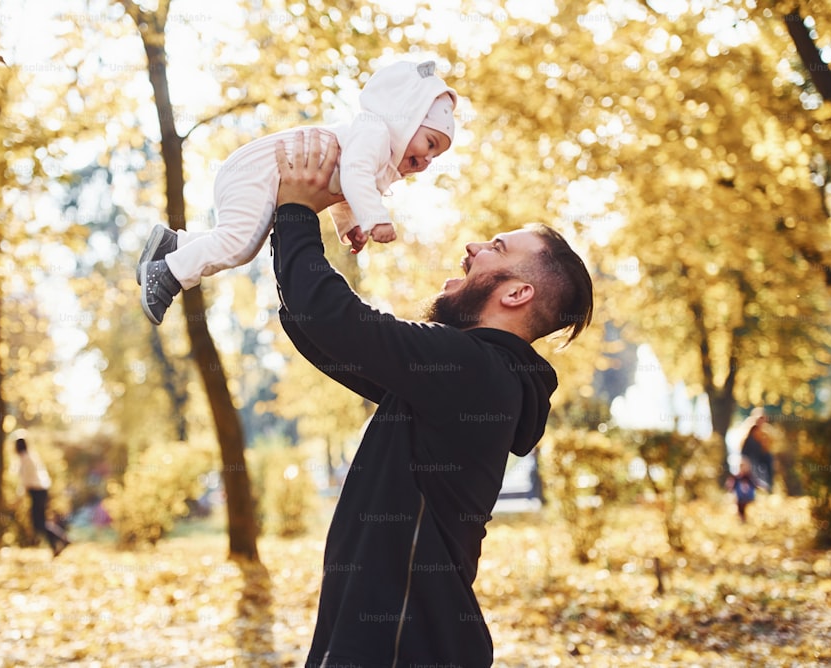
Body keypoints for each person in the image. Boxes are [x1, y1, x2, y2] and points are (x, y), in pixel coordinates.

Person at [270, 131, 593, 667]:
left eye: (497, 248)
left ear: (516, 294)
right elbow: (324, 334)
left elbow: (333, 319)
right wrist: (302, 217)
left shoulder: (475, 370)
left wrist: (296, 209)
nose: (473, 247)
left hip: (400, 648)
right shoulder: (470, 377)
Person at [137, 59, 458, 325]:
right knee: (241, 243)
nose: (428, 160)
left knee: (240, 238)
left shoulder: (370, 146)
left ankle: (173, 244)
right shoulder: (374, 132)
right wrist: (375, 219)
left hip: (260, 171)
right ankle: (169, 272)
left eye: (436, 156)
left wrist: (349, 225)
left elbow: (344, 185)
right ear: (405, 116)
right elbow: (354, 174)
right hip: (260, 169)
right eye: (430, 143)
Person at [14, 437, 70, 557]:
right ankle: (55, 546)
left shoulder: (25, 459)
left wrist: (18, 497)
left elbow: (25, 481)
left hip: (37, 492)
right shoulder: (30, 456)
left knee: (38, 523)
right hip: (41, 491)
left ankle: (62, 539)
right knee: (41, 522)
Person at [740, 408, 775, 492]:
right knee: (753, 467)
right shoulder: (749, 432)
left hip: (760, 457)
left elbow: (768, 448)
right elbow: (743, 449)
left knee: (769, 460)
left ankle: (768, 486)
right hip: (749, 457)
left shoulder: (765, 432)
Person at [726, 456, 768, 523]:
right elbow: (731, 484)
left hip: (749, 497)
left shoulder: (750, 477)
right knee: (740, 508)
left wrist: (762, 487)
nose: (744, 468)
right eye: (742, 466)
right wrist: (730, 487)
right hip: (740, 498)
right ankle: (742, 519)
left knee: (749, 508)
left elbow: (756, 483)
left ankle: (749, 519)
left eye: (745, 466)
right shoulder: (737, 477)